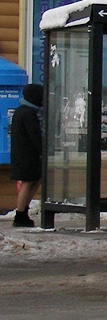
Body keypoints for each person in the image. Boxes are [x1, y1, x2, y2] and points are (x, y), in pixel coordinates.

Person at [10, 83, 43, 228]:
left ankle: (23, 212)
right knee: (28, 182)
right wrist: (42, 150)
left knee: (34, 181)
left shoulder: (20, 111)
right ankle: (20, 213)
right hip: (27, 155)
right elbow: (34, 136)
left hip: (21, 153)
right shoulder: (29, 113)